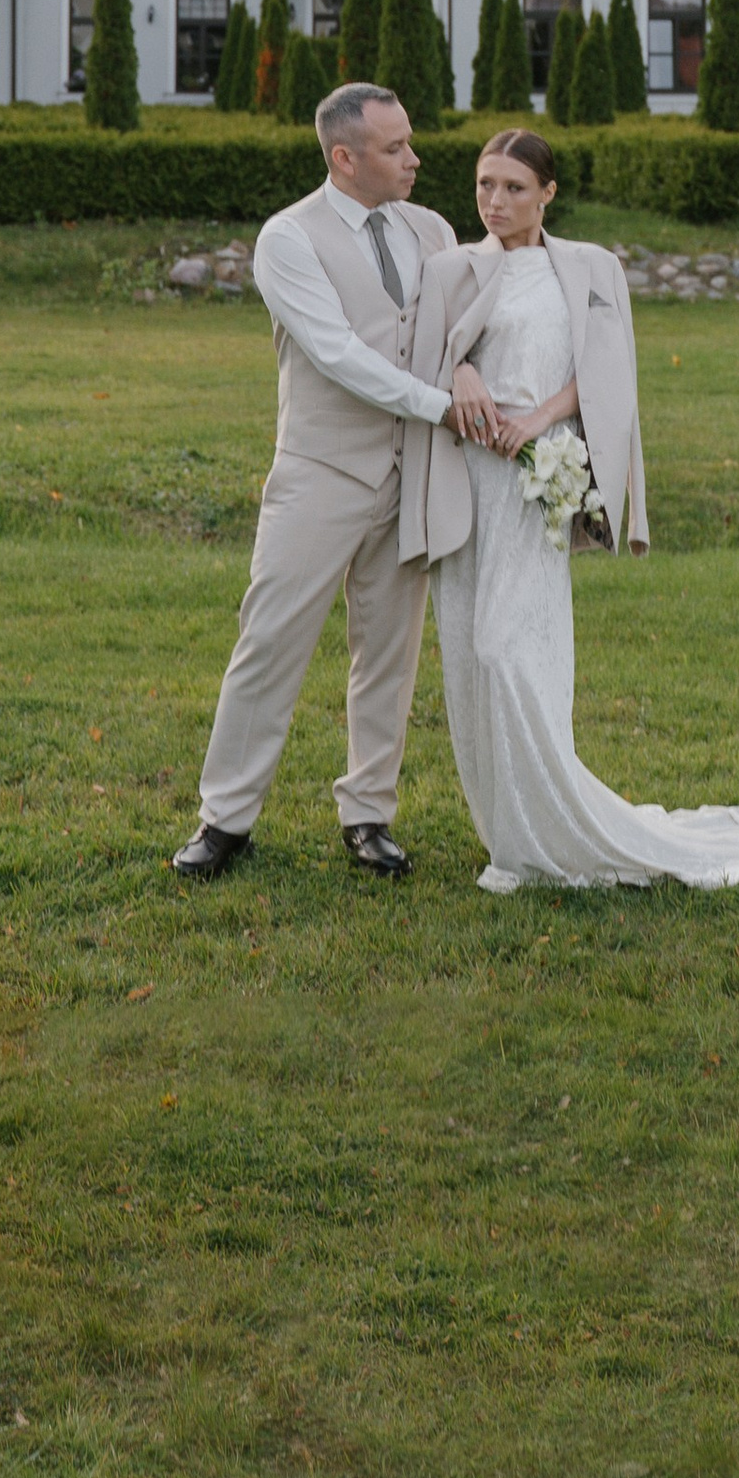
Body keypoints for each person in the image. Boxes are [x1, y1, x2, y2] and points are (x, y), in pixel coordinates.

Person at [400, 128, 739, 895]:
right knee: (467, 659)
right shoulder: (450, 268)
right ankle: (508, 832)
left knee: (507, 650)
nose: (496, 201)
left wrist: (543, 422)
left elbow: (605, 369)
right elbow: (421, 357)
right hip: (467, 479)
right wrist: (458, 369)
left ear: (549, 193)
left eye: (515, 188)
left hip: (536, 477)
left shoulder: (591, 268)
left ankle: (551, 831)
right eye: (485, 185)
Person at [173, 82, 494, 881]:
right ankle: (227, 820)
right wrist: (440, 407)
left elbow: (453, 332)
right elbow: (338, 353)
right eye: (395, 149)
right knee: (271, 639)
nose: (414, 159)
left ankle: (369, 814)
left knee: (388, 650)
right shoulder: (289, 238)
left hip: (411, 473)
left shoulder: (433, 228)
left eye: (410, 141)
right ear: (345, 158)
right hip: (320, 473)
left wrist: (463, 374)